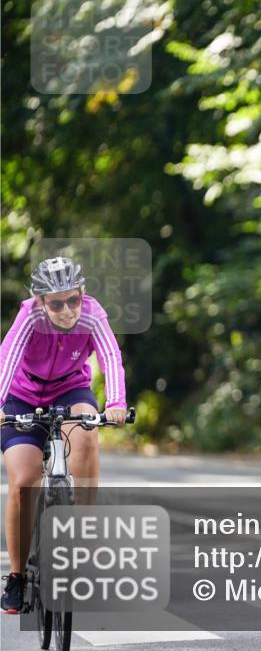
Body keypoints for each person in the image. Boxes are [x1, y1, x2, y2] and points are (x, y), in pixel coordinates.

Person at [0, 257, 127, 614]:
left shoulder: (92, 314)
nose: (67, 310)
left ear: (81, 295)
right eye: (56, 303)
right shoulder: (29, 316)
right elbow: (6, 357)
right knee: (24, 481)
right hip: (21, 395)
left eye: (72, 300)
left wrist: (116, 402)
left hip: (70, 390)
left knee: (87, 433)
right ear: (41, 302)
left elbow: (110, 358)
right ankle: (16, 577)